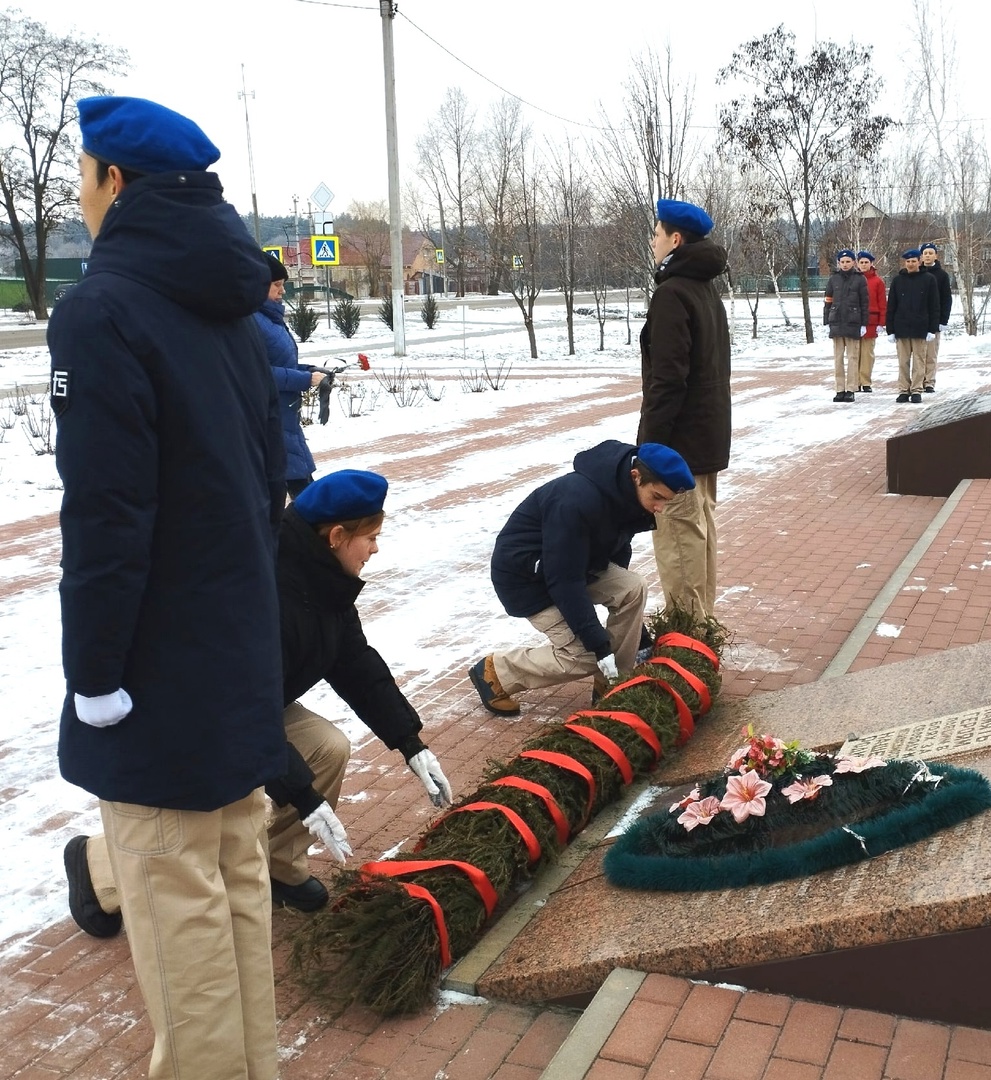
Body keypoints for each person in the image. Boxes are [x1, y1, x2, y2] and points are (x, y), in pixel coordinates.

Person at [48, 97, 287, 1079]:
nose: (77, 192)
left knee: (183, 943)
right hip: (231, 658)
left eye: (81, 174)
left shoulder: (103, 311)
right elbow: (266, 485)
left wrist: (95, 674)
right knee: (233, 902)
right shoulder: (227, 305)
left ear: (114, 182)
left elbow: (106, 518)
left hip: (154, 679)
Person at [65, 468, 453, 929]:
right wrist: (304, 797)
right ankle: (97, 865)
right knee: (215, 798)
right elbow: (233, 705)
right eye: (371, 537)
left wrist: (410, 742)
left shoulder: (324, 579)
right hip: (192, 711)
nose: (375, 549)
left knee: (327, 747)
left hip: (253, 702)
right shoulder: (266, 586)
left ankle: (278, 867)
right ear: (335, 536)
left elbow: (355, 663)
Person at [468, 440, 694, 715]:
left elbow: (615, 557)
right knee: (585, 657)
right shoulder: (577, 500)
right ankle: (497, 672)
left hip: (576, 566)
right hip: (527, 579)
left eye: (665, 501)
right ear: (636, 476)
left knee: (633, 588)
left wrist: (638, 637)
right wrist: (598, 644)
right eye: (657, 497)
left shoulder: (625, 494)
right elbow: (564, 580)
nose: (660, 508)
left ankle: (612, 685)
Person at [637, 198, 731, 620]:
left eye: (656, 234)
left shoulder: (674, 293)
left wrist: (649, 450)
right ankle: (702, 631)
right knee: (699, 535)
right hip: (705, 438)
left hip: (679, 446)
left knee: (679, 543)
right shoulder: (704, 288)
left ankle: (688, 646)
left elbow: (668, 380)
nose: (652, 241)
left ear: (675, 239)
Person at [255, 254, 325, 497]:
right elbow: (254, 374)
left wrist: (308, 371)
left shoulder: (269, 320)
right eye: (277, 284)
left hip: (284, 418)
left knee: (304, 494)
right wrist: (304, 380)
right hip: (266, 420)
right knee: (303, 500)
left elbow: (279, 363)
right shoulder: (251, 321)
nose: (282, 291)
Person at [886, 248, 940, 404]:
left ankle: (916, 390)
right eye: (908, 262)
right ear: (905, 263)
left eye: (913, 261)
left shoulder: (929, 279)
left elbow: (934, 305)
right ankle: (903, 389)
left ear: (919, 261)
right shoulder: (898, 280)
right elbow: (891, 306)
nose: (910, 264)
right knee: (903, 361)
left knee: (919, 360)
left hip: (920, 327)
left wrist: (932, 329)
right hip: (901, 327)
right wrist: (890, 329)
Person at [824, 249, 869, 403]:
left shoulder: (860, 279)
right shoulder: (833, 279)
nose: (845, 264)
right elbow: (828, 300)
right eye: (842, 262)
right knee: (838, 359)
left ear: (853, 263)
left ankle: (850, 389)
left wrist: (864, 323)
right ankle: (839, 389)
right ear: (839, 263)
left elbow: (864, 303)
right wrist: (826, 321)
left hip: (853, 322)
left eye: (848, 261)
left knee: (852, 357)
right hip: (836, 322)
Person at [919, 242, 953, 392]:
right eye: (925, 253)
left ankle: (929, 381)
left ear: (936, 256)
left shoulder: (942, 275)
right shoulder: (915, 272)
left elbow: (946, 299)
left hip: (934, 319)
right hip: (917, 319)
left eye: (930, 253)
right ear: (921, 256)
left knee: (931, 353)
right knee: (918, 353)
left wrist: (943, 320)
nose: (927, 256)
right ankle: (918, 380)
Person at [856, 251, 887, 392]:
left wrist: (881, 322)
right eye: (861, 262)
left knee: (868, 353)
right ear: (857, 264)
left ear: (871, 264)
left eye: (866, 262)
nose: (863, 265)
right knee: (854, 352)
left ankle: (866, 381)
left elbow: (882, 303)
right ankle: (855, 381)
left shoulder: (877, 281)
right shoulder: (853, 279)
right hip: (854, 321)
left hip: (871, 321)